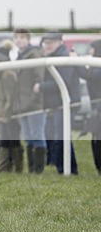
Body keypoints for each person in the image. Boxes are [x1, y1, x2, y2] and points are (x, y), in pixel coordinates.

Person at [38, 32, 80, 175]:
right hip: (57, 105)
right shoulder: (53, 57)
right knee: (58, 137)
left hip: (66, 104)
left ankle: (68, 169)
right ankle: (64, 168)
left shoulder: (64, 57)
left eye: (50, 43)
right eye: (45, 43)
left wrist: (41, 87)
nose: (47, 46)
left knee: (61, 137)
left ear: (59, 42)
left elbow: (63, 82)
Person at [12, 28, 47, 173]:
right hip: (22, 103)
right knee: (27, 137)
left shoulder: (34, 54)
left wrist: (33, 99)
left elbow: (39, 78)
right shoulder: (19, 56)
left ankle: (38, 169)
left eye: (22, 37)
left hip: (34, 103)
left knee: (37, 135)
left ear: (28, 39)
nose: (19, 40)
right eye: (16, 37)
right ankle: (32, 168)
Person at [0, 41, 23, 172]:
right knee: (4, 140)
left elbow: (10, 97)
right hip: (2, 113)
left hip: (9, 114)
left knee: (12, 140)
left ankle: (16, 167)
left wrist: (5, 114)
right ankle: (4, 168)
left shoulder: (8, 75)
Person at [78, 39, 101, 174]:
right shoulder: (94, 65)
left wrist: (76, 62)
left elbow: (88, 75)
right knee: (95, 139)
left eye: (92, 48)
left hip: (99, 108)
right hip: (96, 108)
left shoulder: (97, 67)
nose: (90, 51)